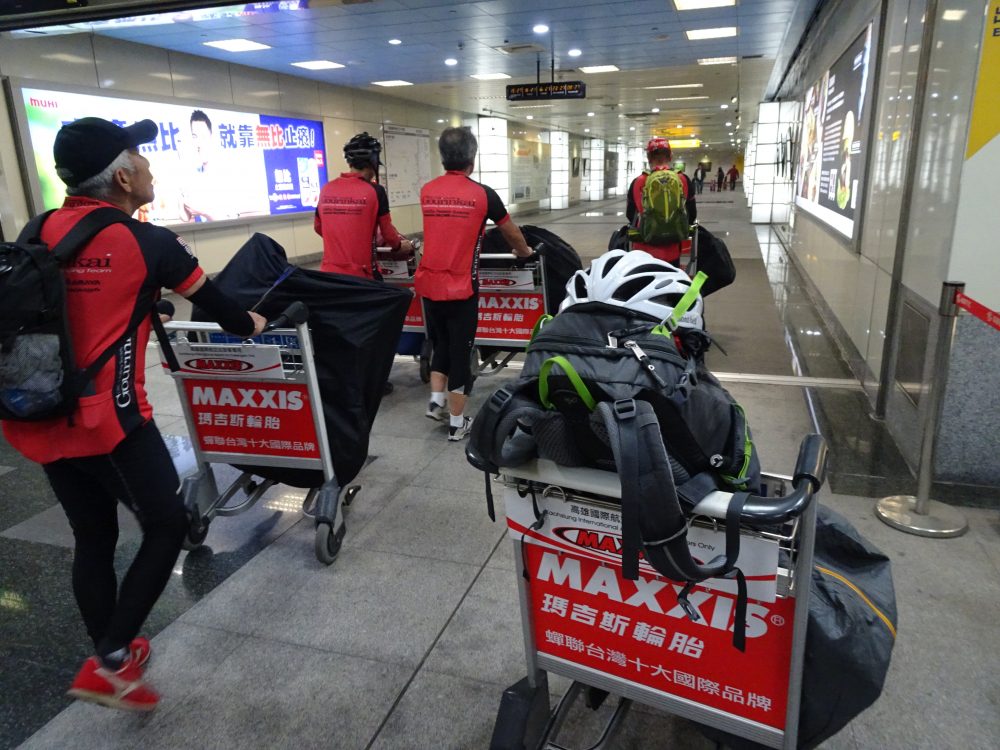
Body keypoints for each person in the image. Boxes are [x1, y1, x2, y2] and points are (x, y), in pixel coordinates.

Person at [1, 117, 266, 712]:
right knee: (167, 524)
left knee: (91, 535)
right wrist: (255, 324)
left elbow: (65, 307)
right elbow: (224, 311)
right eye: (142, 159)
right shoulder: (150, 243)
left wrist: (139, 310)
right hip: (108, 422)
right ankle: (111, 659)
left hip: (37, 408)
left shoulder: (38, 228)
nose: (150, 168)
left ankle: (113, 657)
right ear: (122, 177)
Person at [416, 126, 532, 441]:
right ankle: (456, 425)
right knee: (461, 352)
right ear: (473, 157)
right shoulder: (483, 194)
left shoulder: (427, 190)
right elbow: (511, 231)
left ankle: (436, 401)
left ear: (442, 157)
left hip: (429, 284)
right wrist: (524, 252)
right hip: (461, 288)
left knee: (440, 343)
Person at [314, 132, 414, 279]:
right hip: (362, 276)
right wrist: (400, 246)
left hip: (329, 275)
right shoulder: (375, 190)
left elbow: (318, 227)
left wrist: (341, 240)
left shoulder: (326, 189)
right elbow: (388, 234)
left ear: (349, 162)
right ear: (374, 161)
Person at [625, 137, 697, 265]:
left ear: (648, 157)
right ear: (670, 156)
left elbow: (630, 216)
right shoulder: (682, 179)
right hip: (673, 249)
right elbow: (692, 214)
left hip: (643, 251)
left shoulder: (638, 182)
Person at [181, 109, 232, 222]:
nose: (199, 142)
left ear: (211, 136)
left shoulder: (226, 173)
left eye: (203, 136)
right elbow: (185, 217)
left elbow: (232, 221)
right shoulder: (194, 175)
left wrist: (204, 212)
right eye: (195, 136)